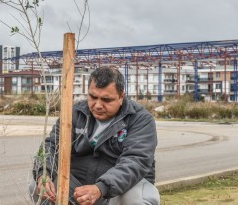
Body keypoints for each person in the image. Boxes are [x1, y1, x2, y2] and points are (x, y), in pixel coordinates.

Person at [31, 66, 160, 205]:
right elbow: (51, 145)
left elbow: (135, 161)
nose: (98, 105)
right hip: (78, 189)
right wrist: (44, 175)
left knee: (138, 199)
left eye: (106, 100)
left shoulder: (140, 120)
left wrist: (100, 188)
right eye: (93, 97)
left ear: (121, 97)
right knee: (38, 185)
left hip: (115, 192)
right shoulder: (75, 113)